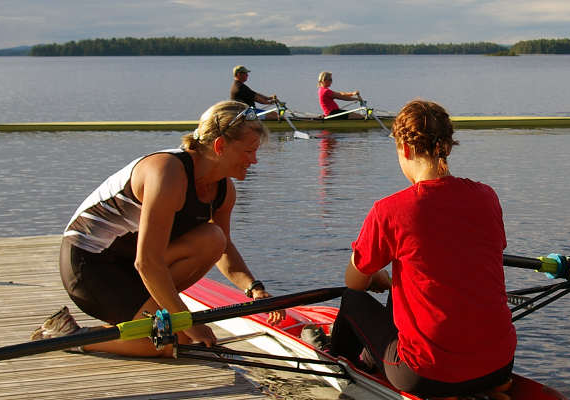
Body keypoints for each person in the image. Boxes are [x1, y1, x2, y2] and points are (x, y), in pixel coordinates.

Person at [31, 100, 285, 357]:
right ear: (220, 146)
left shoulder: (224, 189)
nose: (254, 160)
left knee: (213, 238)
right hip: (90, 265)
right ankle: (68, 337)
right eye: (248, 151)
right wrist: (187, 320)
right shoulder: (168, 173)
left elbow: (224, 249)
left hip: (131, 263)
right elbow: (147, 263)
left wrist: (254, 289)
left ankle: (137, 316)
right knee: (173, 340)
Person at [320, 100, 517, 398]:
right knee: (400, 292)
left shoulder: (390, 210)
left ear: (406, 149)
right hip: (501, 364)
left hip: (424, 375)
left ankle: (340, 365)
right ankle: (489, 385)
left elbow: (354, 281)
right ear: (447, 148)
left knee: (351, 300)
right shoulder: (487, 197)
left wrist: (375, 275)